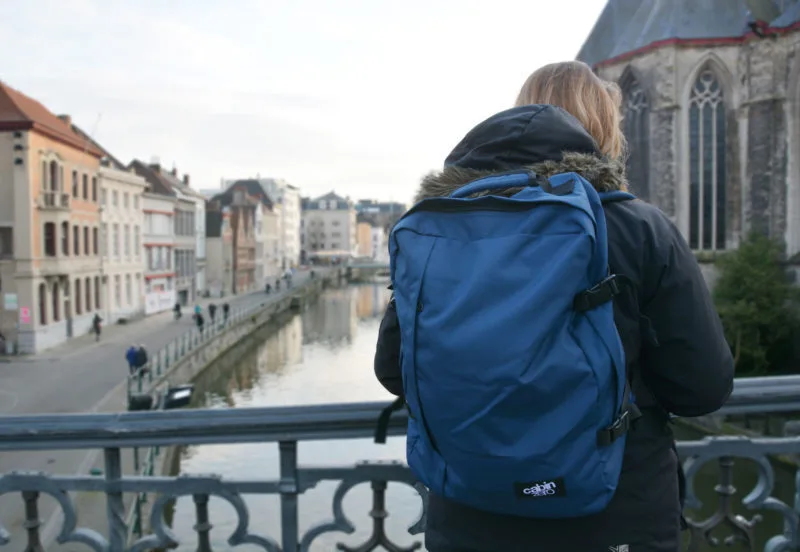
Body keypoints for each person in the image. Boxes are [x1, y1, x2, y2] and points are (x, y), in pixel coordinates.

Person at [373, 60, 734, 552]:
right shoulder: (638, 228)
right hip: (614, 518)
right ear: (606, 133)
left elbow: (394, 371)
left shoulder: (437, 228)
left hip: (470, 517)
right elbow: (702, 388)